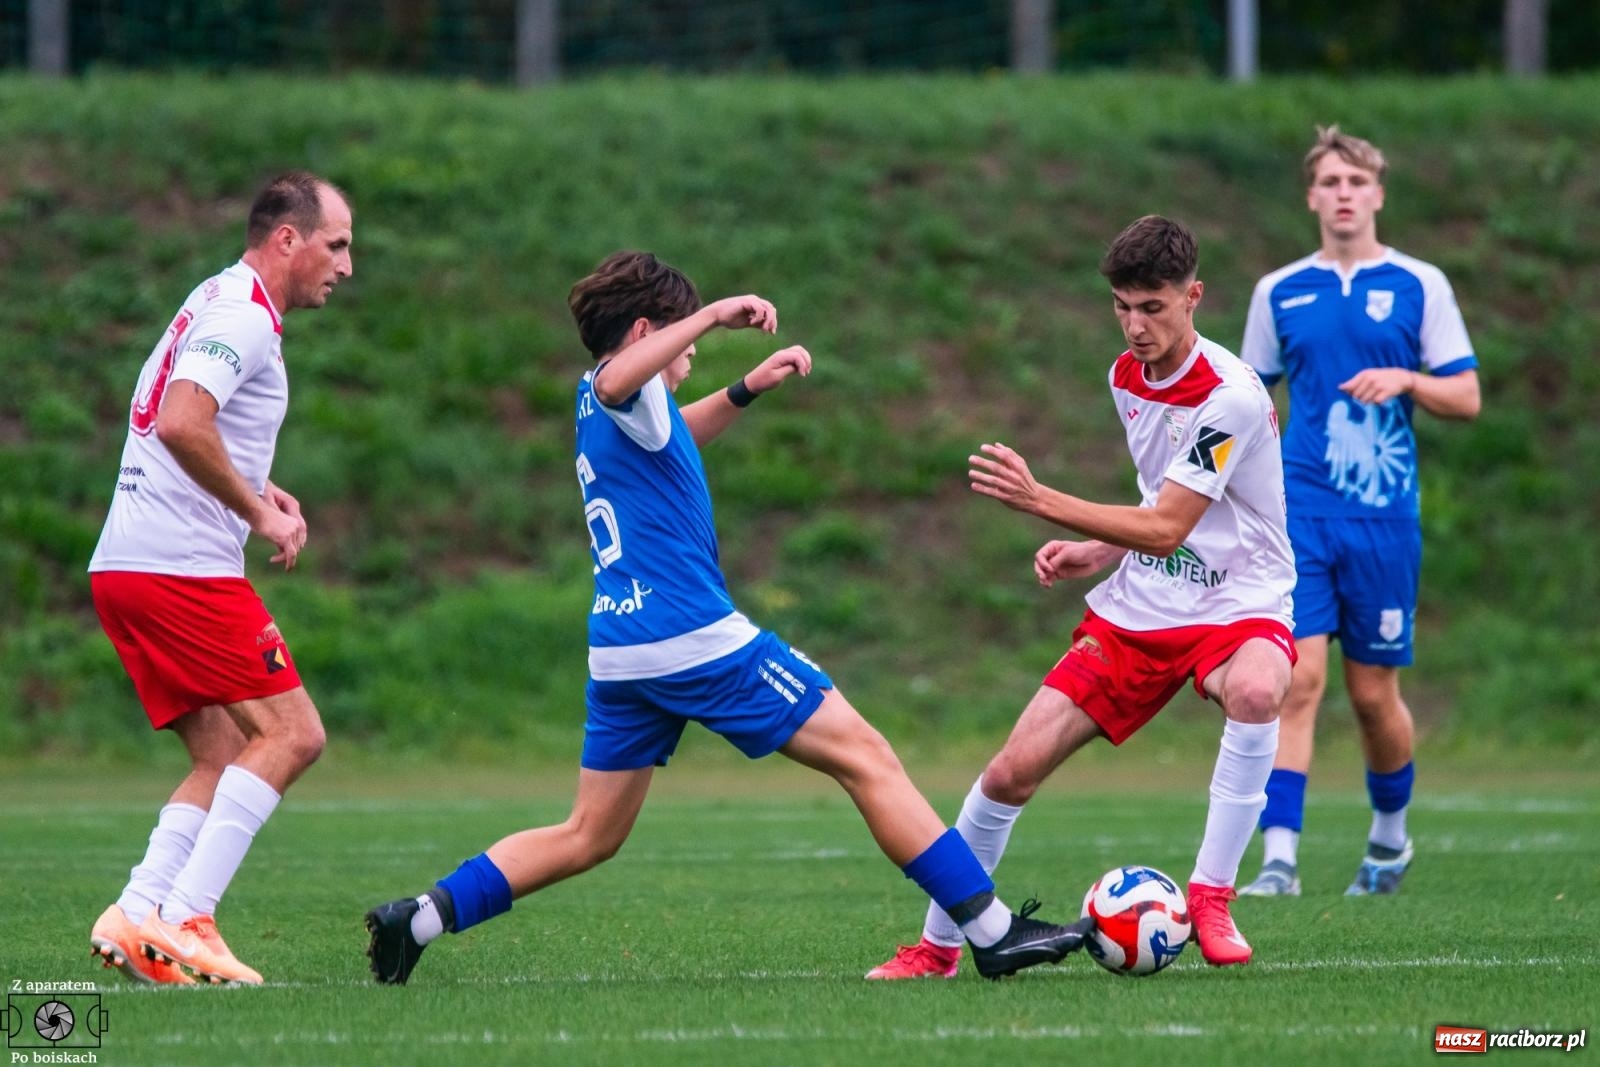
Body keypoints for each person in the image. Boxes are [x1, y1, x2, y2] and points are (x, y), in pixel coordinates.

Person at [364, 251, 1092, 984]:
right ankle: (992, 931)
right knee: (866, 755)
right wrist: (712, 314)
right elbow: (625, 376)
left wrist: (745, 388)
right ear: (652, 330)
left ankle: (416, 918)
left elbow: (670, 437)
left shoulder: (609, 406)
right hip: (690, 638)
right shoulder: (618, 384)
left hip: (622, 649)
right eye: (685, 338)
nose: (693, 353)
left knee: (588, 833)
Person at [868, 215, 1295, 979]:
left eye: (1153, 307)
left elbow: (1167, 526)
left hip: (1240, 601)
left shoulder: (1229, 396)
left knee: (1261, 688)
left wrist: (1041, 501)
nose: (1135, 326)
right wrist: (1099, 547)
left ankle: (1211, 894)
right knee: (1008, 773)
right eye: (1123, 307)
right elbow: (1160, 500)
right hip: (1143, 605)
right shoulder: (1124, 376)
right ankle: (935, 948)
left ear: (1194, 296)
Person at [87, 171, 354, 985]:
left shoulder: (216, 296)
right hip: (178, 570)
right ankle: (187, 917)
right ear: (287, 239)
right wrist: (259, 513)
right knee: (294, 733)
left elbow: (178, 414)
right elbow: (179, 420)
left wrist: (253, 487)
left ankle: (137, 911)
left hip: (127, 568)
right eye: (336, 244)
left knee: (223, 748)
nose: (345, 265)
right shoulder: (243, 316)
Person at [1237, 126, 1480, 898]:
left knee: (1373, 697)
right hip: (1300, 514)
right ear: (1311, 196)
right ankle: (1279, 860)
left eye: (1356, 181)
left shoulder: (1420, 285)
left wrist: (1406, 379)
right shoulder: (1279, 291)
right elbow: (1249, 403)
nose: (1343, 193)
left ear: (1377, 194)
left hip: (1382, 521)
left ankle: (1389, 841)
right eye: (1330, 181)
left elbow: (1467, 397)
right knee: (1295, 679)